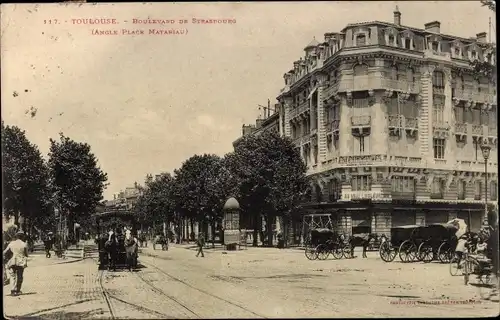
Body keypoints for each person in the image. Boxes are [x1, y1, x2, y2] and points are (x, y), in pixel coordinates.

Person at [3, 231, 29, 296]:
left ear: (16, 236)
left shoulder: (11, 243)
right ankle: (18, 290)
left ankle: (13, 290)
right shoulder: (24, 244)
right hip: (21, 262)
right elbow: (26, 254)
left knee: (12, 276)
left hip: (12, 261)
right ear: (22, 237)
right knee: (20, 276)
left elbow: (5, 252)